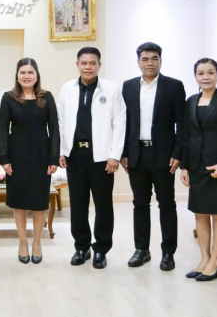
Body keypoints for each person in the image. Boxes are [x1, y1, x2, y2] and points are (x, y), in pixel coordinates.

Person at [57, 47, 126, 269]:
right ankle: (81, 247)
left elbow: (120, 122)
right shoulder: (67, 89)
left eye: (92, 63)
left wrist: (115, 155)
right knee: (78, 204)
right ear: (77, 65)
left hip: (102, 158)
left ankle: (101, 249)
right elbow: (60, 121)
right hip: (75, 155)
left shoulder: (111, 89)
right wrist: (62, 150)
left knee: (103, 205)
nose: (88, 67)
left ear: (99, 65)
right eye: (84, 63)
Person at [120, 42, 186, 271]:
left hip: (164, 156)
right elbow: (125, 123)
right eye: (145, 59)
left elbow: (182, 124)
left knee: (166, 204)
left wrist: (178, 153)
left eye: (154, 58)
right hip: (137, 154)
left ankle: (168, 252)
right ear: (138, 62)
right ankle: (142, 249)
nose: (150, 63)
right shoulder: (128, 86)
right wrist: (124, 152)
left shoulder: (174, 86)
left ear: (160, 61)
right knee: (140, 203)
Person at [179, 58, 217, 282]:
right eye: (201, 73)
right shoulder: (190, 101)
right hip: (196, 166)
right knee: (200, 213)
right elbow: (185, 136)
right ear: (195, 76)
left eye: (210, 72)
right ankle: (204, 259)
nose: (206, 76)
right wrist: (184, 166)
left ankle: (215, 261)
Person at [0, 58, 59, 264]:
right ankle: (23, 242)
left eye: (30, 72)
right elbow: (2, 130)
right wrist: (4, 159)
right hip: (17, 156)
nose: (26, 76)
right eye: (22, 72)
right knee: (19, 202)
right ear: (17, 76)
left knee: (40, 202)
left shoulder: (46, 97)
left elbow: (54, 129)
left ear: (37, 75)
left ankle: (37, 242)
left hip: (41, 156)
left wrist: (53, 158)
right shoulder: (8, 98)